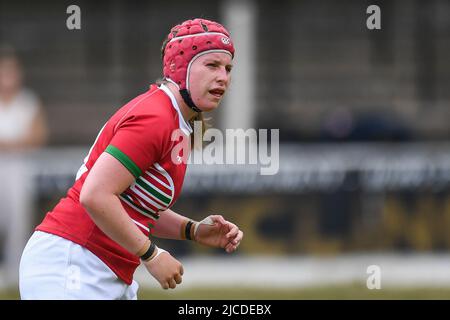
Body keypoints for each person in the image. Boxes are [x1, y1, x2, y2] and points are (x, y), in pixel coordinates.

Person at [19, 18, 243, 300]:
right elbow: (96, 195)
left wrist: (194, 230)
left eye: (228, 68)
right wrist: (151, 254)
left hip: (100, 266)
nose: (223, 76)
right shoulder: (156, 117)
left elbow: (135, 209)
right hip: (73, 261)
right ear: (179, 68)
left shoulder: (175, 121)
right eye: (212, 65)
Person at [0, 46, 47, 150]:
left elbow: (39, 138)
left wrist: (7, 147)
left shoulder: (30, 101)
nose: (7, 76)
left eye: (11, 70)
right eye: (4, 71)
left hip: (25, 163)